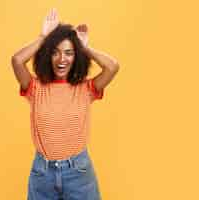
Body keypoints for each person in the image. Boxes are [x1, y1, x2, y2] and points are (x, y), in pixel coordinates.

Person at [11, 8, 119, 200]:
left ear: (76, 57)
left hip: (78, 172)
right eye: (56, 53)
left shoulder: (85, 89)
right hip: (42, 174)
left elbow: (112, 67)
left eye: (69, 53)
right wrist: (44, 36)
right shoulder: (35, 88)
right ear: (47, 55)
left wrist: (84, 48)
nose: (62, 59)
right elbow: (17, 60)